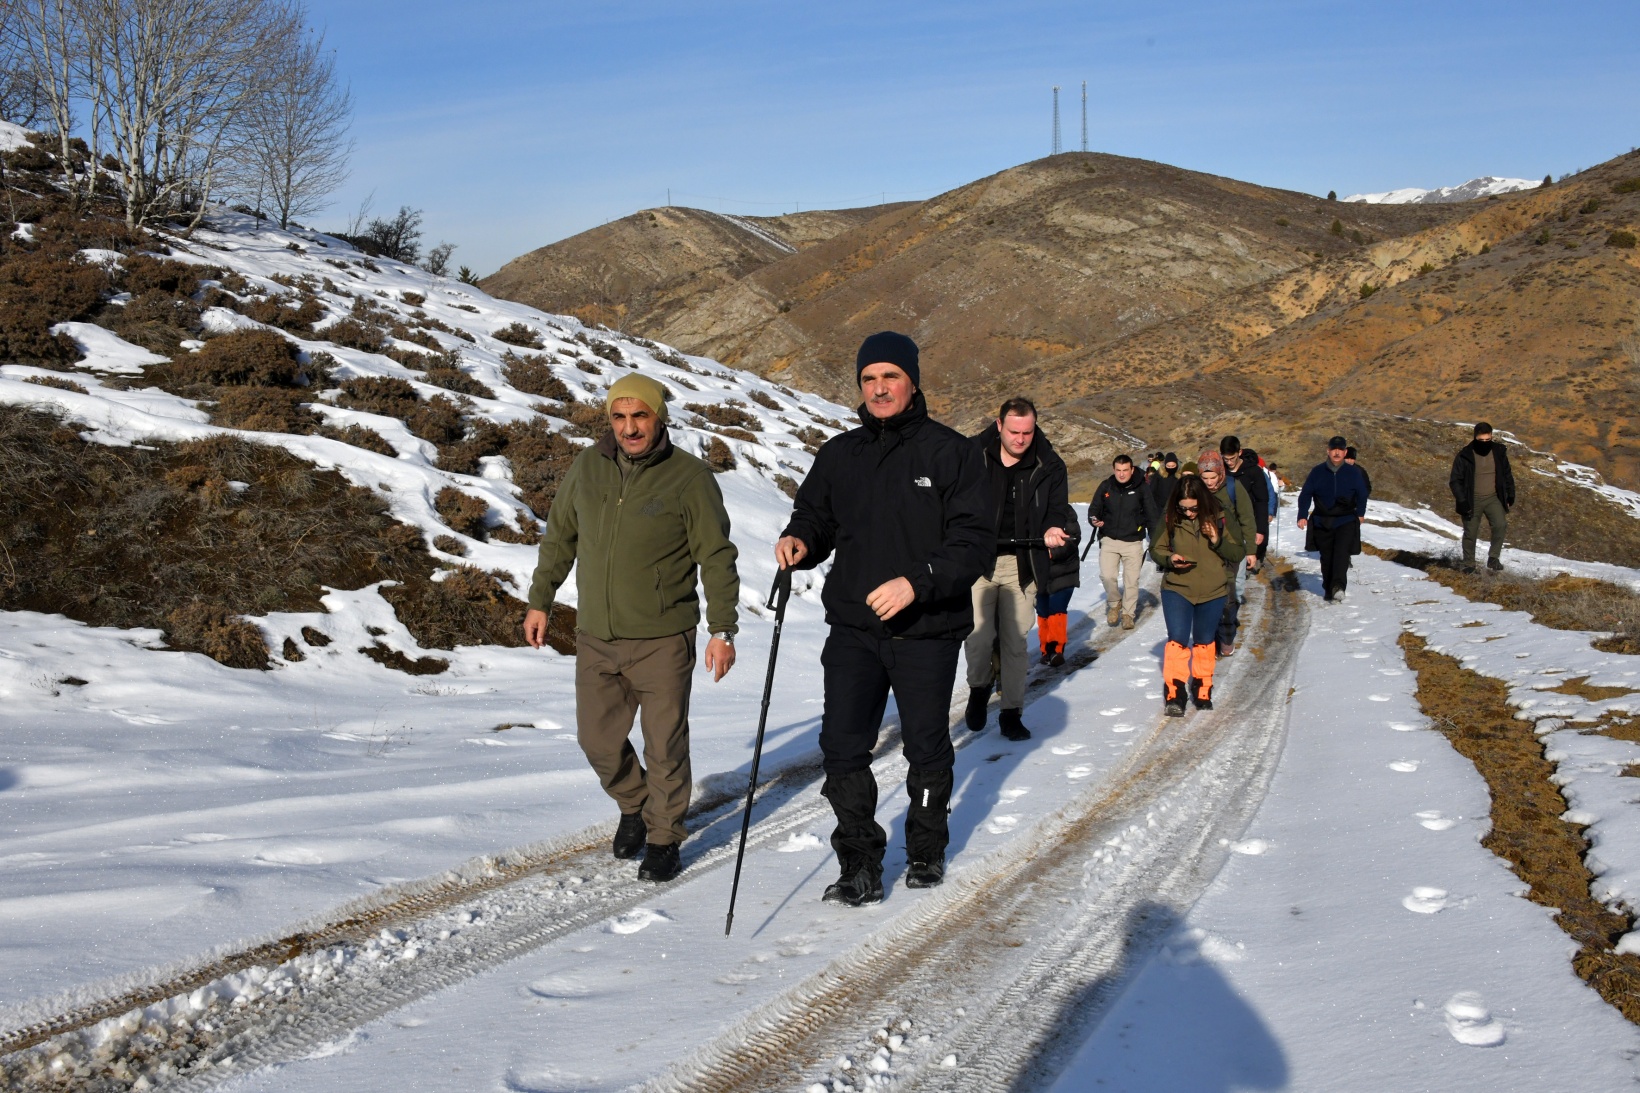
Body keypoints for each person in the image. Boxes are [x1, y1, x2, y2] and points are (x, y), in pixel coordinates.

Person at [776, 331, 991, 904]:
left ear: (913, 381)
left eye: (889, 377)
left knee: (926, 747)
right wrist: (800, 540)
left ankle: (925, 848)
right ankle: (859, 865)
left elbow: (972, 543)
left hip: (926, 631)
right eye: (869, 379)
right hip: (853, 628)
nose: (878, 388)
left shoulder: (952, 453)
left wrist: (917, 582)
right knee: (842, 747)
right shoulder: (840, 454)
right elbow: (816, 517)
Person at [524, 373, 740, 883]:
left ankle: (663, 837)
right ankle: (635, 804)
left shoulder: (688, 477)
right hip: (596, 635)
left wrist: (722, 629)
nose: (629, 427)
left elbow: (716, 555)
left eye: (639, 415)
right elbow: (559, 537)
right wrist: (541, 601)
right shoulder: (588, 466)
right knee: (596, 740)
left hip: (663, 638)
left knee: (664, 746)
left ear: (658, 416)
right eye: (619, 417)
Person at [963, 398, 1077, 733]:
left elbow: (1058, 508)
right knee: (978, 638)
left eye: (1027, 432)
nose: (1021, 439)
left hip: (1024, 563)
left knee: (1015, 642)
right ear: (999, 426)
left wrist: (1055, 528)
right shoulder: (972, 455)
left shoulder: (1050, 464)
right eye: (1014, 431)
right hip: (979, 562)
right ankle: (979, 689)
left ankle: (1011, 713)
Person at [1149, 475, 1241, 715]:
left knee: (1204, 640)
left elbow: (1237, 551)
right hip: (1177, 588)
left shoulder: (1221, 515)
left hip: (1213, 590)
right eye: (1183, 507)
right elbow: (1156, 549)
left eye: (1194, 508)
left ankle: (1202, 687)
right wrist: (1170, 559)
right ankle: (1175, 693)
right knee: (1177, 638)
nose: (1189, 513)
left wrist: (1216, 539)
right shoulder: (1170, 516)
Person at [1088, 453, 1159, 630]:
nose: (1121, 474)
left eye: (1125, 470)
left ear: (1132, 469)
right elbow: (1094, 508)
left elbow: (1151, 514)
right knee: (1107, 576)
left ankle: (1128, 614)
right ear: (1114, 469)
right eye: (1118, 470)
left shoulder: (1142, 488)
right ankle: (1114, 603)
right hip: (1109, 539)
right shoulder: (1106, 486)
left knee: (1131, 581)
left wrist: (1156, 539)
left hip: (1133, 541)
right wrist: (1094, 519)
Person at [1197, 450, 1258, 657]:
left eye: (1213, 477)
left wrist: (1251, 550)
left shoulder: (1233, 487)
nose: (1209, 482)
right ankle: (1210, 638)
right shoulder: (1195, 490)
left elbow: (1247, 519)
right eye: (1204, 478)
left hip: (1232, 549)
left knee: (1232, 593)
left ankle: (1227, 634)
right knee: (1207, 594)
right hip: (1204, 551)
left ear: (1220, 473)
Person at [1297, 435, 1370, 603]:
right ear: (1328, 451)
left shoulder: (1353, 473)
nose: (1337, 453)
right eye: (1333, 450)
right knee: (1327, 556)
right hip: (1323, 520)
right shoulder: (1317, 472)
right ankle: (1329, 587)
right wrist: (1302, 515)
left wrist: (1360, 513)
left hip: (1345, 519)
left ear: (1345, 452)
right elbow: (1306, 493)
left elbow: (1362, 493)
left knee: (1341, 554)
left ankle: (1338, 586)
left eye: (1340, 450)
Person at [1449, 422, 1516, 573]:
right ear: (1475, 438)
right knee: (1471, 532)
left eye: (1488, 440)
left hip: (1493, 498)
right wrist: (1462, 501)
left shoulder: (1499, 452)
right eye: (1482, 440)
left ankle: (1493, 558)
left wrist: (1510, 495)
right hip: (1471, 500)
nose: (1485, 443)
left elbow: (1507, 474)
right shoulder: (1464, 455)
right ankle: (1469, 565)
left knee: (1500, 525)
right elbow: (1455, 481)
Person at [1221, 436, 1270, 564]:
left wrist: (1260, 530)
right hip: (1224, 524)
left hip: (1247, 523)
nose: (1229, 462)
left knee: (1241, 569)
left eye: (1232, 458)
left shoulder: (1253, 471)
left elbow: (1261, 501)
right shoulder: (1220, 470)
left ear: (1240, 452)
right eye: (1226, 459)